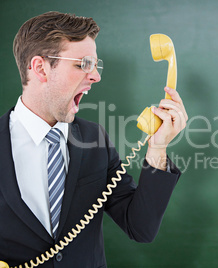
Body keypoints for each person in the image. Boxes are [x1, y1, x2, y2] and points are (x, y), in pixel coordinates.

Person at [0, 11, 187, 267]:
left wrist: (158, 147)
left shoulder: (94, 139)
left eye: (95, 65)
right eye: (82, 64)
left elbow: (140, 228)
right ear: (40, 68)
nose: (96, 76)